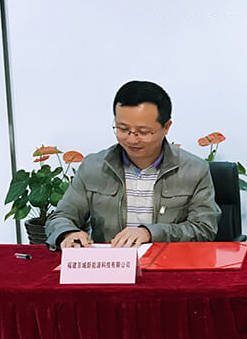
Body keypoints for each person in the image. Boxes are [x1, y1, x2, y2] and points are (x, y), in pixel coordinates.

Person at [45, 80, 219, 248]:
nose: (131, 139)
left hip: (167, 263)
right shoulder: (93, 167)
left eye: (143, 132)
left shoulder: (194, 170)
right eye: (123, 129)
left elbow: (204, 228)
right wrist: (68, 233)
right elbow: (61, 217)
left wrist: (150, 233)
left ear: (166, 127)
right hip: (110, 263)